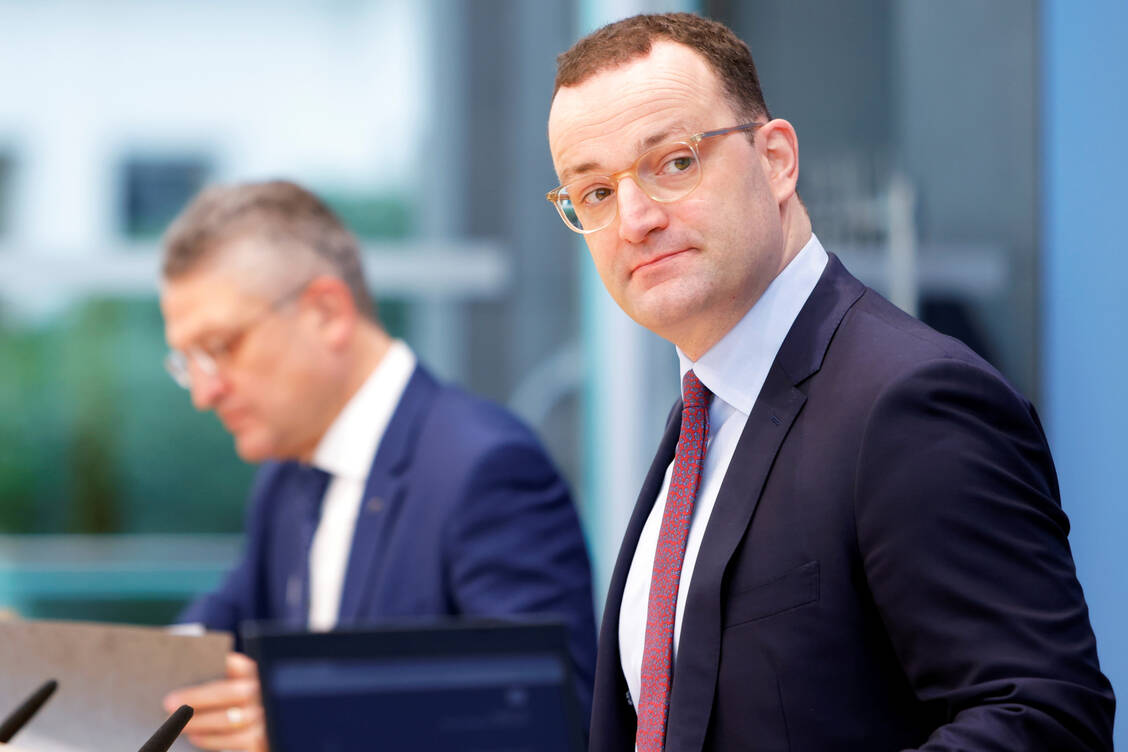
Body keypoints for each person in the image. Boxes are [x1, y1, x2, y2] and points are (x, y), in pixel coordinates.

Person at [546, 12, 1114, 752]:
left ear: (777, 159)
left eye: (675, 161)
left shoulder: (912, 401)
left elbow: (1045, 719)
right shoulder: (700, 423)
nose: (635, 218)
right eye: (593, 193)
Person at [156, 180, 597, 751]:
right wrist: (91, 678)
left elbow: (556, 721)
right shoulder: (285, 481)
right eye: (187, 361)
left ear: (326, 312)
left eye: (219, 347)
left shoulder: (482, 468)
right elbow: (216, 624)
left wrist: (306, 729)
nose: (204, 392)